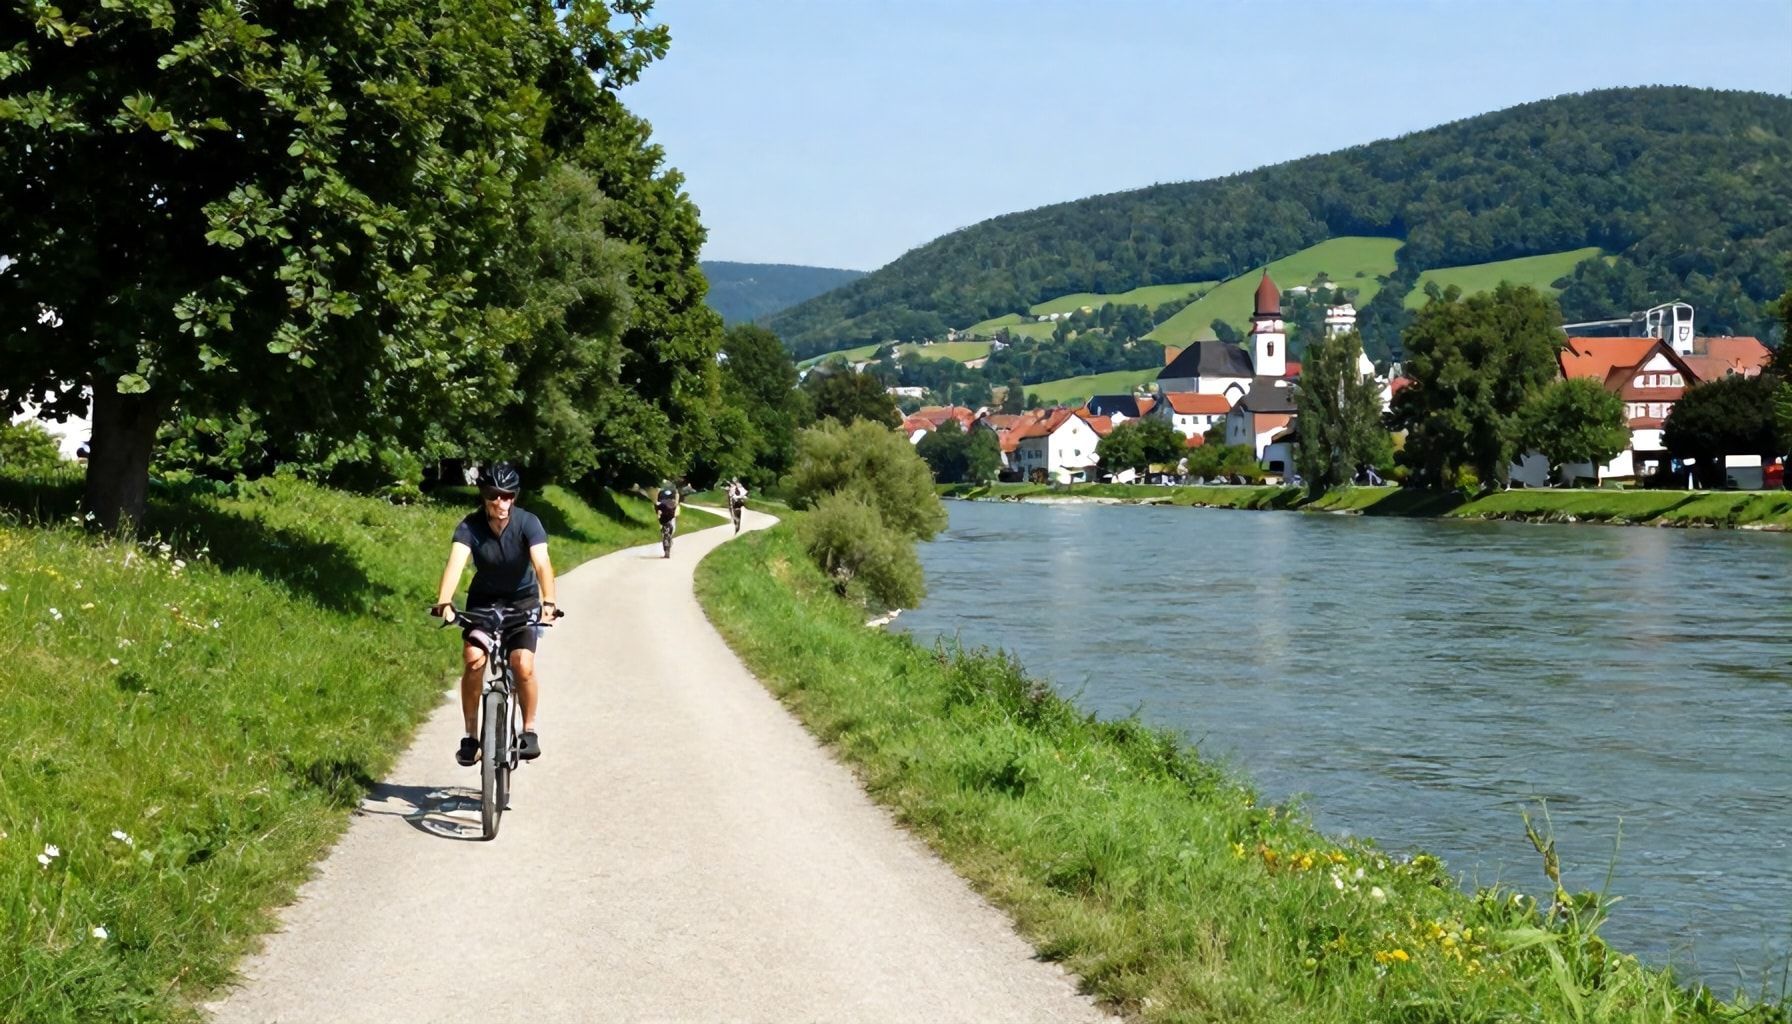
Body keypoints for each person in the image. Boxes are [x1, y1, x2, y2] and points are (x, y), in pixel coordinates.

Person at [431, 462, 557, 766]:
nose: (500, 502)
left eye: (507, 495)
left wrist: (549, 601)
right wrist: (445, 600)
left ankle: (528, 731)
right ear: (483, 495)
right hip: (484, 603)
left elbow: (541, 563)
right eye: (493, 495)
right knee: (474, 659)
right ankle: (471, 737)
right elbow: (456, 564)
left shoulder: (529, 523)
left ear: (514, 496)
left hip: (522, 602)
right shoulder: (470, 526)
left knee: (522, 664)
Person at [654, 484, 679, 557]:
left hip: (664, 516)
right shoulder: (673, 492)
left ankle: (667, 540)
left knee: (665, 529)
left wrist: (657, 511)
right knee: (670, 529)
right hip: (669, 515)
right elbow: (676, 502)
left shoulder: (661, 492)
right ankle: (669, 540)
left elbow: (657, 504)